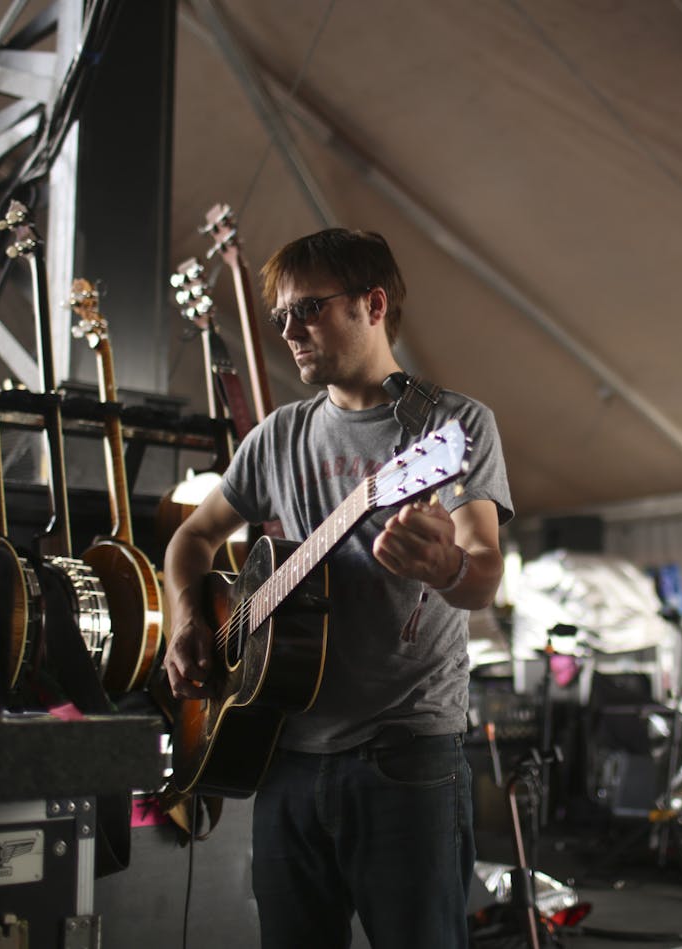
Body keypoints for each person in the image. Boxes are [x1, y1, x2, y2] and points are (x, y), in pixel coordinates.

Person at [163, 228, 513, 949]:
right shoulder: (276, 436)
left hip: (404, 758)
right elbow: (189, 541)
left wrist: (445, 566)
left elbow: (482, 574)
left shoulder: (450, 426)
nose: (289, 330)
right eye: (281, 316)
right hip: (283, 753)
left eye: (309, 308)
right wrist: (185, 622)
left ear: (373, 303)